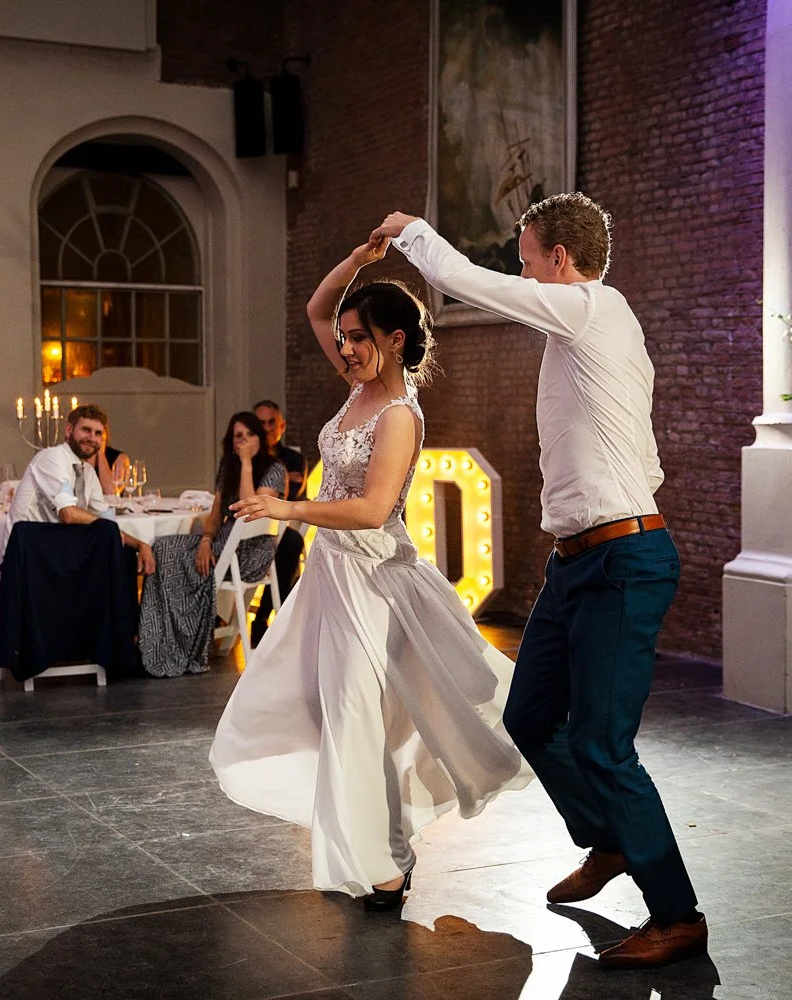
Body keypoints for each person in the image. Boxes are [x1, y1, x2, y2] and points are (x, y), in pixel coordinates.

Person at [371, 195, 705, 969]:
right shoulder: (587, 334)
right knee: (529, 716)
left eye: (525, 259)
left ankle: (678, 915)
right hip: (578, 562)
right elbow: (639, 452)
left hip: (624, 562)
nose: (519, 273)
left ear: (559, 260)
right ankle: (612, 840)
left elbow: (468, 281)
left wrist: (409, 232)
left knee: (601, 743)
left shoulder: (590, 308)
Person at [209, 238, 529, 912]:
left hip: (373, 578)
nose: (346, 347)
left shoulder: (399, 415)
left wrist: (289, 507)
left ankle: (381, 863)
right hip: (331, 577)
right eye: (347, 338)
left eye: (359, 338)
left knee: (359, 713)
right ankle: (386, 849)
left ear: (395, 339)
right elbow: (316, 307)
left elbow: (374, 508)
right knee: (337, 713)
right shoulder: (357, 387)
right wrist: (358, 257)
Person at [137, 413, 286, 678]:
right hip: (223, 543)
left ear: (259, 439)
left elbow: (248, 512)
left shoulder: (274, 470)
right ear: (231, 442)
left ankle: (185, 644)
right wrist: (206, 540)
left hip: (251, 550)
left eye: (250, 434)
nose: (244, 440)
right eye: (238, 436)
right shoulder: (227, 467)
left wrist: (246, 464)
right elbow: (217, 513)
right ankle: (162, 643)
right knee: (161, 548)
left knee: (174, 559)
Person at [7, 404, 157, 572]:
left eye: (98, 433)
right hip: (28, 553)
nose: (92, 438)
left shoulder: (87, 472)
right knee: (113, 559)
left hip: (60, 550)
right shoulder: (53, 457)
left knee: (125, 556)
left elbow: (105, 519)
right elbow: (68, 514)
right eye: (86, 430)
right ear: (69, 430)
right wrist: (110, 530)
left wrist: (140, 545)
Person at [247, 399, 307, 647]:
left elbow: (288, 497)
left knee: (289, 542)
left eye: (272, 422)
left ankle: (265, 618)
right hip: (248, 527)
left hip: (279, 528)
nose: (268, 428)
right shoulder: (245, 456)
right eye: (261, 423)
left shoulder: (293, 458)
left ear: (282, 425)